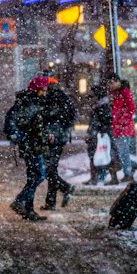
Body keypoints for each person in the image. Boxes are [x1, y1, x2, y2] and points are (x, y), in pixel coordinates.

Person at [5, 78, 50, 222]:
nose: (44, 93)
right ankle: (21, 202)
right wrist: (30, 133)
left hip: (32, 144)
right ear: (36, 90)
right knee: (39, 175)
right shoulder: (28, 103)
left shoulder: (31, 101)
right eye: (42, 90)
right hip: (31, 145)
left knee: (34, 176)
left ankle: (28, 208)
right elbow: (25, 123)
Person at [41, 78, 77, 210]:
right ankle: (50, 202)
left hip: (54, 139)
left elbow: (51, 117)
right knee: (50, 170)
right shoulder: (62, 98)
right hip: (59, 138)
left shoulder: (54, 99)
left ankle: (66, 188)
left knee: (48, 170)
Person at [85, 83, 122, 185]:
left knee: (104, 155)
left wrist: (99, 132)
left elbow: (106, 121)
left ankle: (100, 178)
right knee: (99, 155)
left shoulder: (103, 106)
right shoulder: (100, 105)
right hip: (98, 134)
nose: (90, 96)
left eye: (92, 94)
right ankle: (95, 177)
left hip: (101, 135)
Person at [109, 76, 137, 180]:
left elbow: (132, 109)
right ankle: (131, 167)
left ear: (118, 82)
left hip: (124, 129)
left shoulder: (125, 93)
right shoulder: (116, 95)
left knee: (123, 153)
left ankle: (128, 173)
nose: (110, 86)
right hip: (119, 128)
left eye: (112, 83)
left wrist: (120, 120)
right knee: (121, 153)